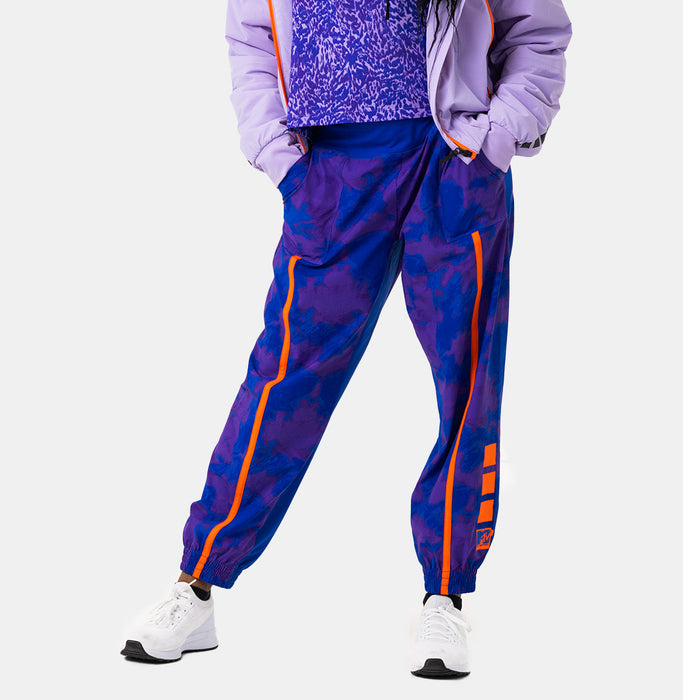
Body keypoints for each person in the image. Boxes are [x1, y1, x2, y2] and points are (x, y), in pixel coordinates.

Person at [121, 0, 572, 678]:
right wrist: (280, 159)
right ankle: (199, 580)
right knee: (284, 379)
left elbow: (536, 31)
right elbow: (251, 34)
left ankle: (445, 593)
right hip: (331, 171)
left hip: (451, 158)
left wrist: (495, 143)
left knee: (467, 379)